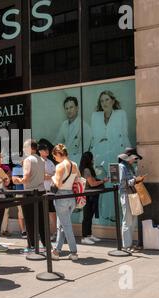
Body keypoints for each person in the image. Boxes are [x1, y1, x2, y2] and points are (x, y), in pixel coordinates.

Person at [90, 91, 132, 224]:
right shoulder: (96, 116)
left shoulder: (120, 114)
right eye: (102, 101)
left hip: (115, 154)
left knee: (114, 182)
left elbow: (124, 135)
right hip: (100, 154)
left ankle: (114, 213)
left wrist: (128, 156)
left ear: (113, 101)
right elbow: (93, 136)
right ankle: (106, 214)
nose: (104, 103)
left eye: (107, 100)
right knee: (105, 182)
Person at [12, 139, 46, 253]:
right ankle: (45, 244)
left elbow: (25, 178)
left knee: (29, 220)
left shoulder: (28, 160)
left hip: (30, 192)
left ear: (30, 148)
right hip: (41, 191)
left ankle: (31, 246)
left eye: (24, 147)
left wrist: (17, 180)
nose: (23, 149)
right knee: (41, 219)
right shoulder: (41, 159)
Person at [51, 144, 80, 261]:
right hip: (71, 196)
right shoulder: (75, 165)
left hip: (61, 196)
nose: (55, 159)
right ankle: (57, 251)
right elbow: (78, 179)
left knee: (66, 226)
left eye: (54, 156)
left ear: (58, 154)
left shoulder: (60, 166)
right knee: (61, 225)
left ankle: (74, 252)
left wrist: (52, 177)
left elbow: (58, 184)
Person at [79, 151, 108, 245]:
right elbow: (92, 183)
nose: (93, 159)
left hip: (89, 195)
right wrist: (103, 181)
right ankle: (84, 236)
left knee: (89, 216)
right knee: (87, 216)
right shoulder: (86, 170)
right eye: (92, 158)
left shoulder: (86, 169)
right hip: (88, 195)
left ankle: (89, 234)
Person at [118, 152, 145, 253]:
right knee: (127, 219)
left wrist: (136, 179)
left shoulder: (129, 167)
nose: (134, 160)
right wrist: (134, 180)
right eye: (134, 158)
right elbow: (122, 183)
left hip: (132, 195)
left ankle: (130, 243)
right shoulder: (121, 167)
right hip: (126, 195)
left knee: (133, 219)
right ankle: (126, 245)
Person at [55, 97, 92, 165]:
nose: (69, 110)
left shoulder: (84, 127)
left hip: (76, 163)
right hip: (64, 160)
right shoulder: (64, 124)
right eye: (67, 108)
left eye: (71, 107)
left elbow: (84, 152)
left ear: (77, 108)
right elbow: (57, 143)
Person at [38, 143, 57, 242]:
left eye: (48, 150)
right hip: (42, 190)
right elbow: (42, 176)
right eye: (45, 150)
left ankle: (54, 233)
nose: (47, 152)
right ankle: (45, 235)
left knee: (52, 213)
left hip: (51, 190)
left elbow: (55, 174)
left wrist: (48, 175)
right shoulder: (38, 161)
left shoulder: (50, 162)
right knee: (43, 214)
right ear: (40, 151)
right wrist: (50, 176)